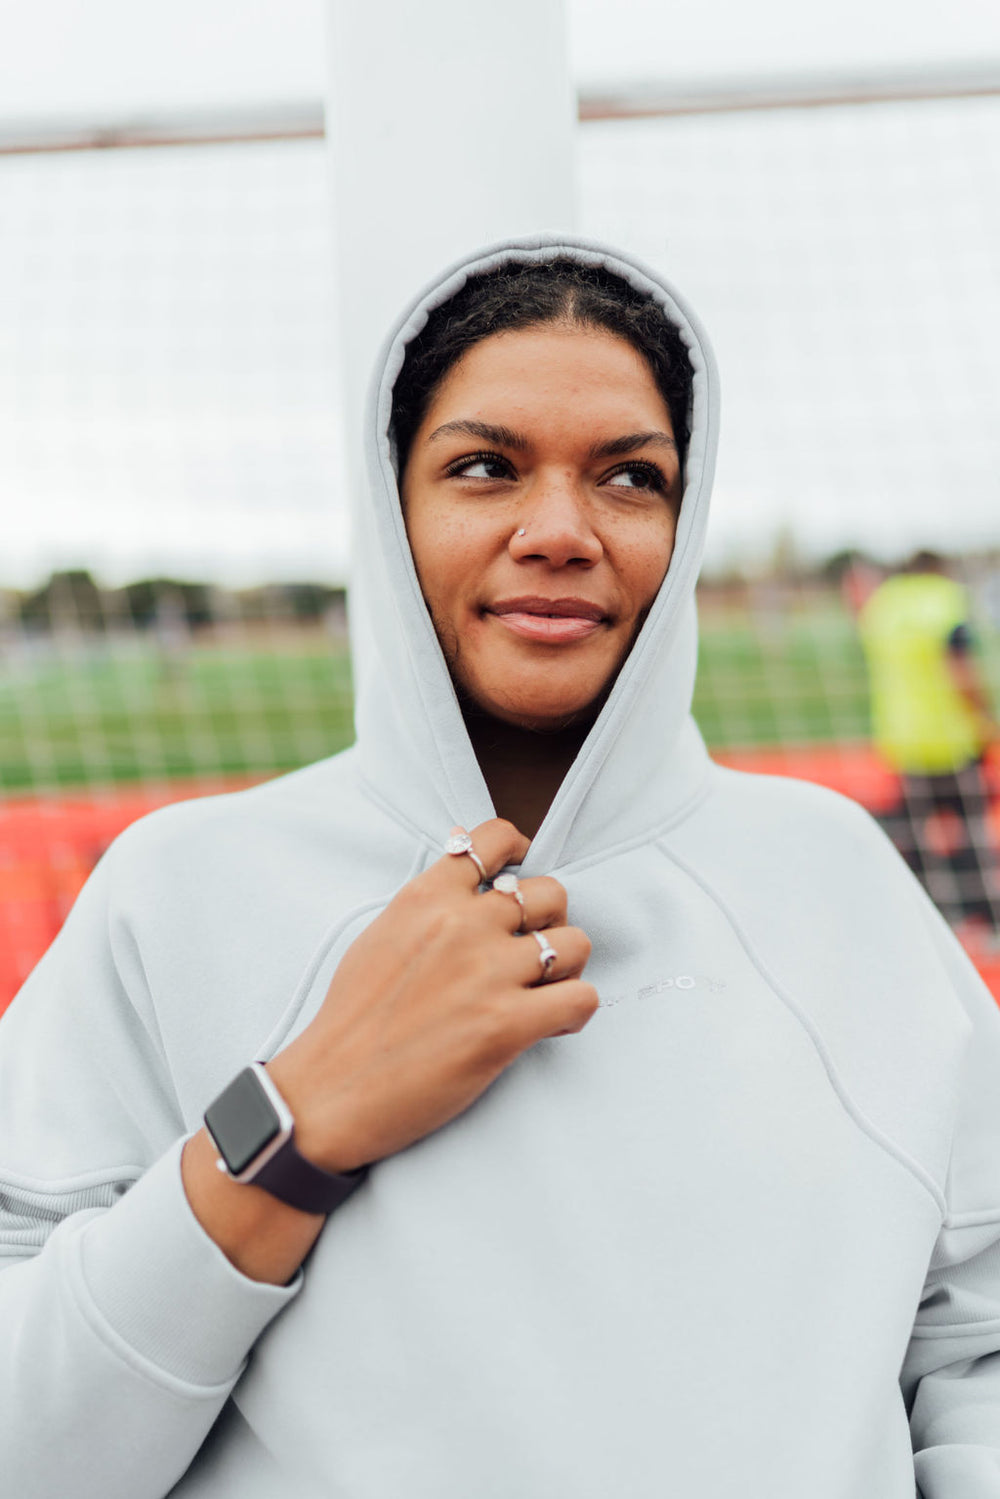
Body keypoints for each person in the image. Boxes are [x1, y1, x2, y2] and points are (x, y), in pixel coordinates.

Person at [3, 236, 1000, 1499]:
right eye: (484, 467)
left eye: (629, 478)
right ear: (394, 505)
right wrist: (295, 1120)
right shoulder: (178, 889)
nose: (560, 531)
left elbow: (976, 1337)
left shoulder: (832, 875)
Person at [859, 550, 1000, 935]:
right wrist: (985, 719)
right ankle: (985, 918)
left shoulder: (883, 605)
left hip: (904, 737)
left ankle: (923, 912)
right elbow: (962, 670)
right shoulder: (947, 602)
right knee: (970, 828)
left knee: (916, 829)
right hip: (951, 738)